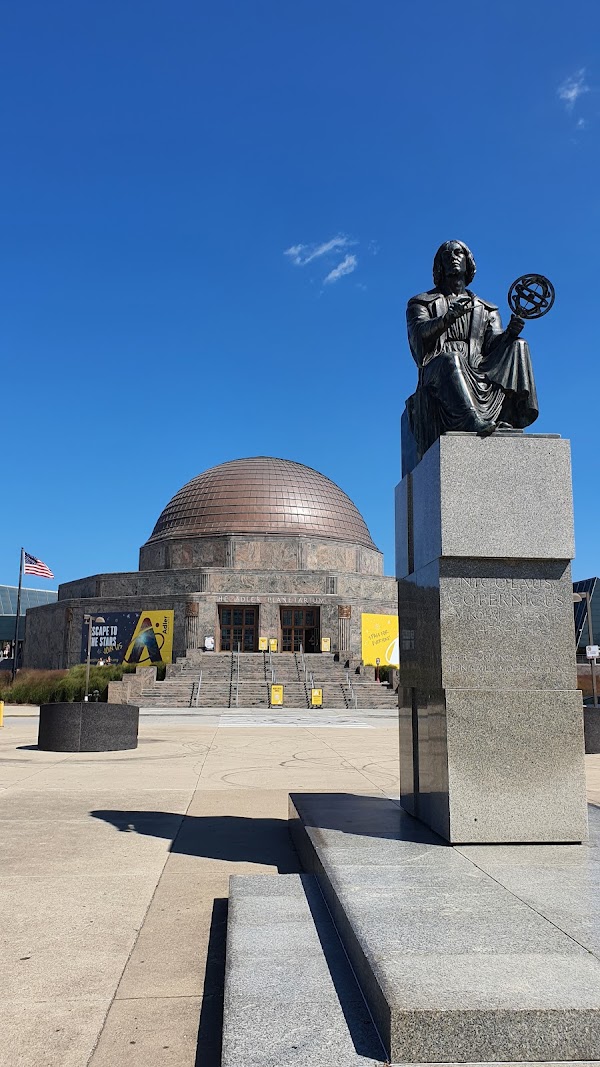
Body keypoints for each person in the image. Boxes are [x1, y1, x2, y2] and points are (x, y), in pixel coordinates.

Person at [405, 240, 538, 462]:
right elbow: (418, 335)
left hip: (478, 365)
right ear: (440, 265)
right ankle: (470, 419)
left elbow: (492, 345)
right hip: (439, 367)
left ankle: (510, 415)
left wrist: (509, 335)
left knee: (518, 345)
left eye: (459, 253)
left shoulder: (486, 308)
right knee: (451, 359)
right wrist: (447, 318)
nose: (453, 257)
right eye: (446, 255)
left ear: (468, 262)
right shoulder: (421, 303)